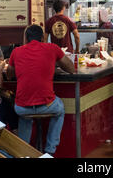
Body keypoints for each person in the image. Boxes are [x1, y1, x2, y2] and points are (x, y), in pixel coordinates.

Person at [6, 25, 76, 155]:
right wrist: (52, 64)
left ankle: (23, 151)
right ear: (43, 38)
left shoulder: (16, 51)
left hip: (21, 107)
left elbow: (9, 75)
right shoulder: (52, 48)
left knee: (25, 116)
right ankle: (50, 151)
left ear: (26, 38)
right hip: (47, 106)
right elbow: (71, 69)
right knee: (60, 108)